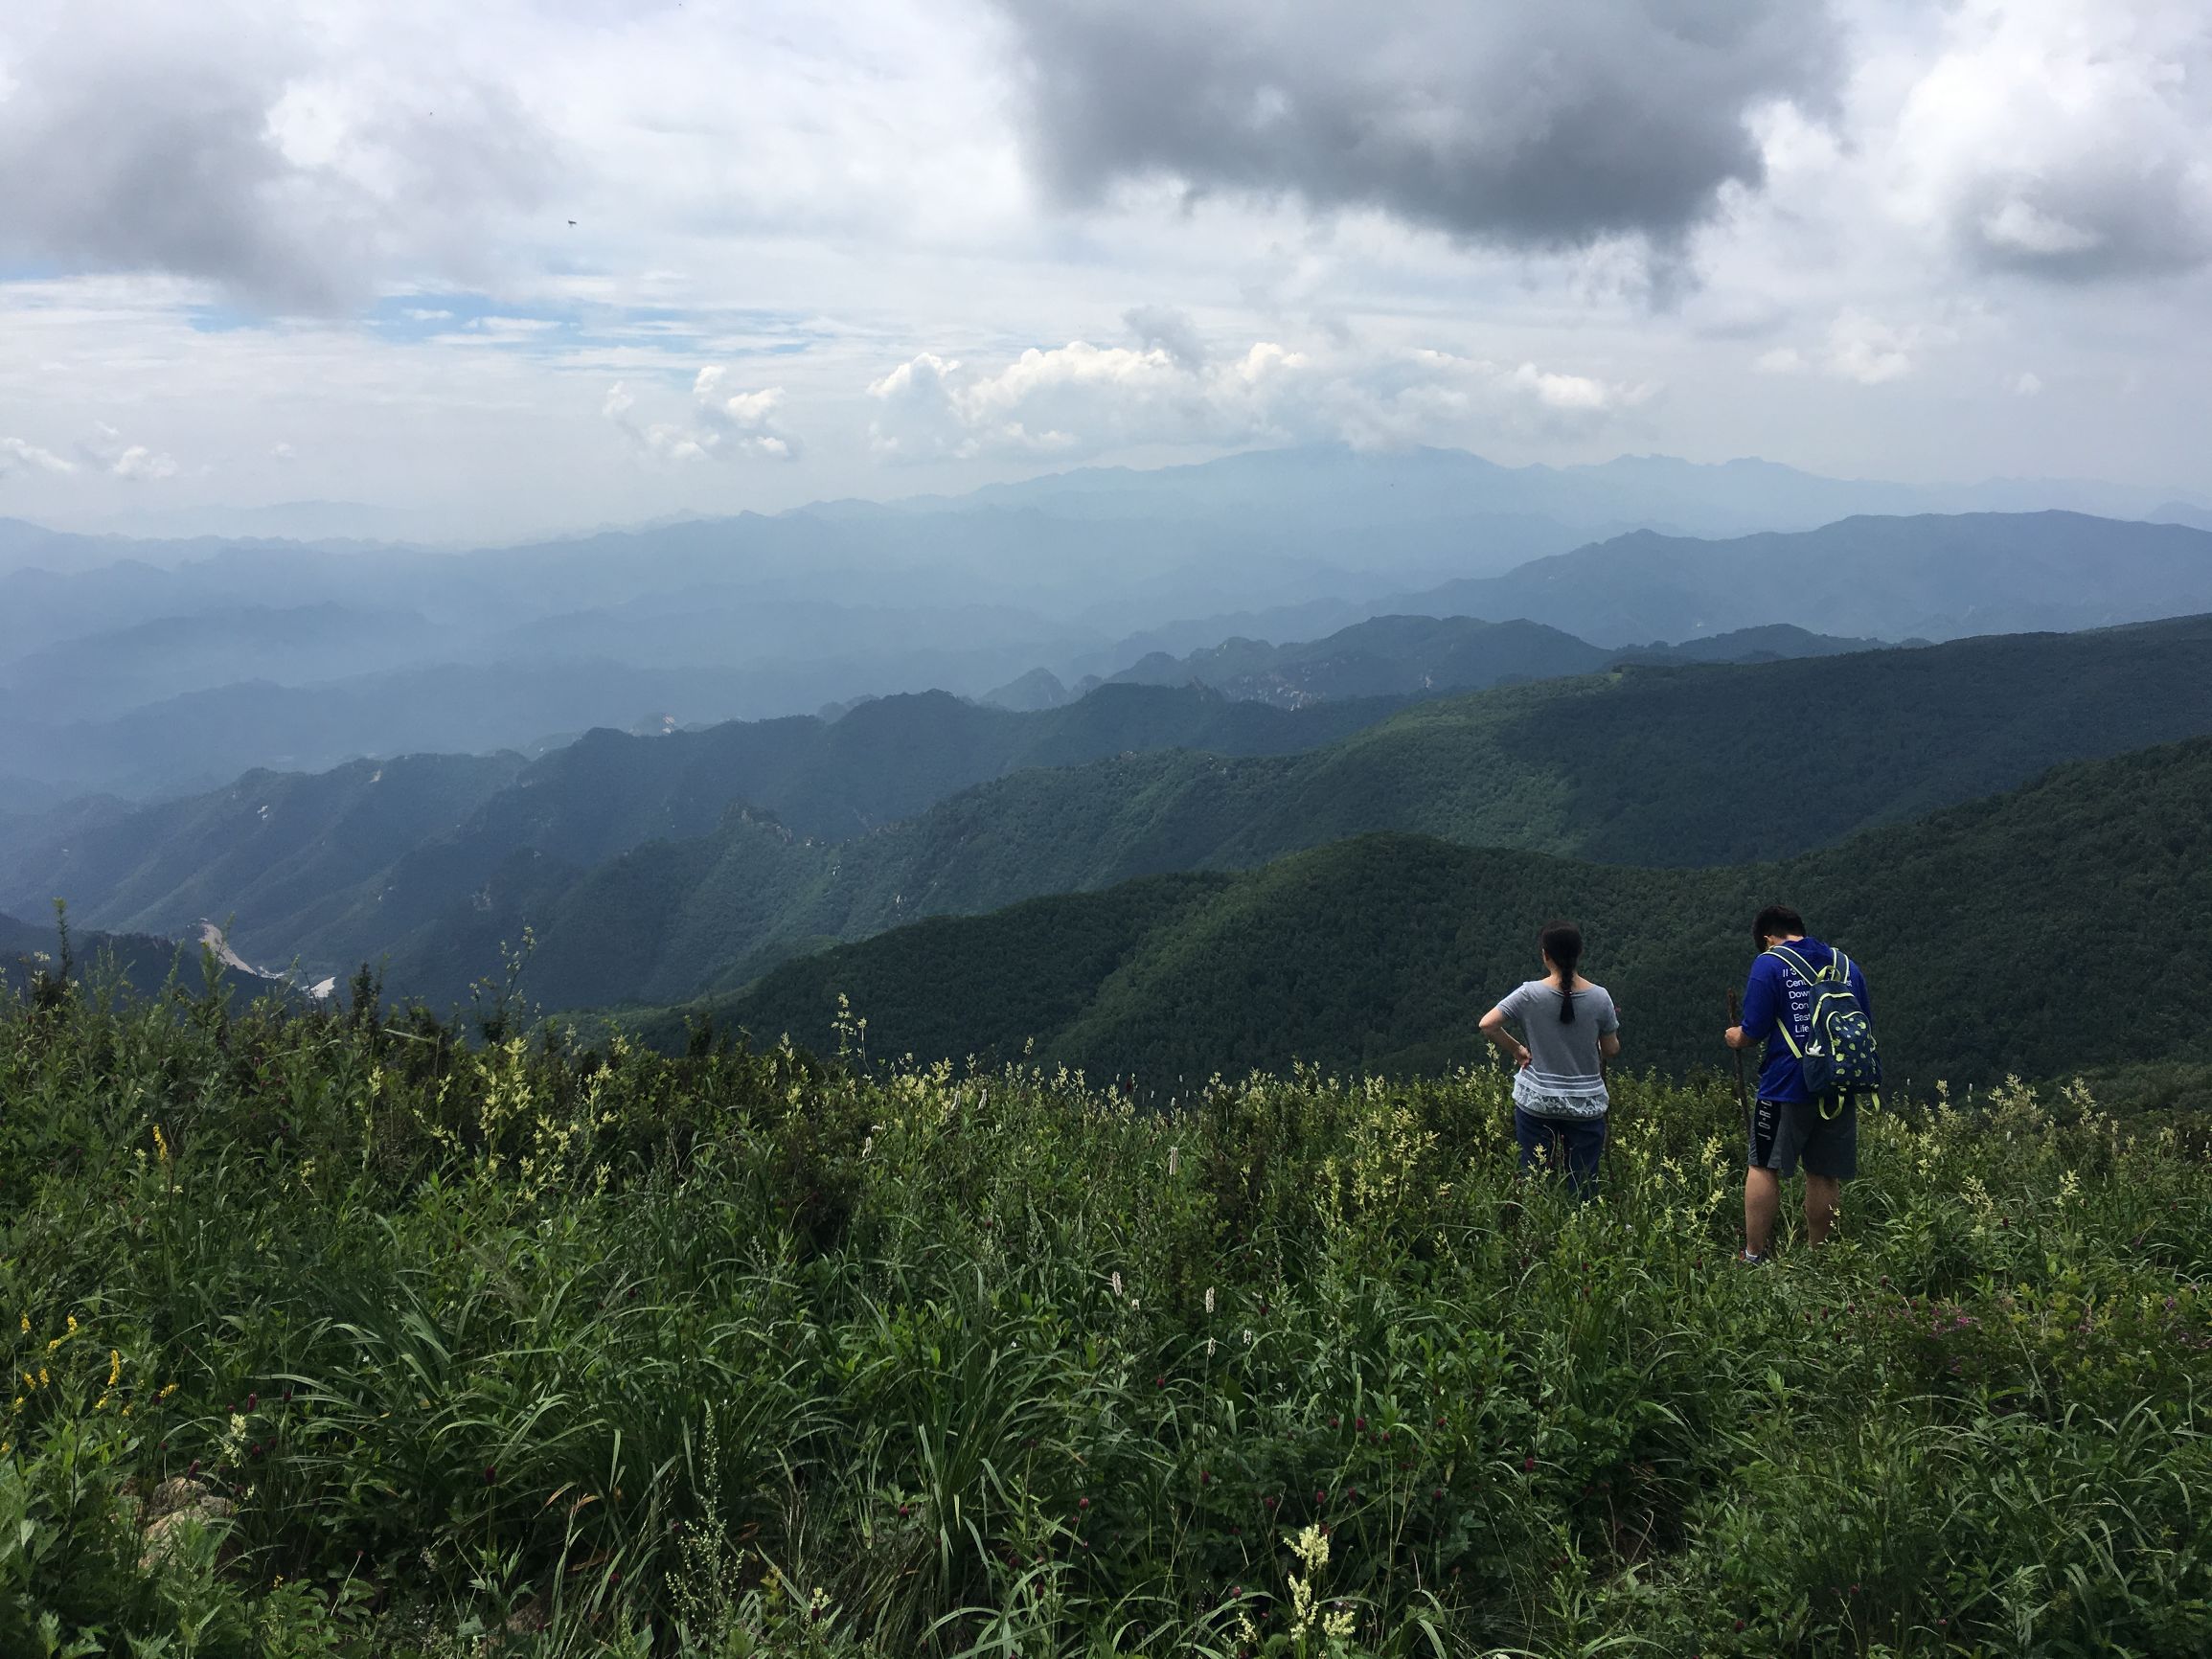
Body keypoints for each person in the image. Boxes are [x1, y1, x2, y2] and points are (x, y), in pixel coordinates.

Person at [1724, 903, 1872, 1262]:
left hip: (1787, 1083)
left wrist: (1734, 1037)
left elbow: (1753, 1031)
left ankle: (1754, 1254)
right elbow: (1863, 1022)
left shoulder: (1770, 963)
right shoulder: (1845, 964)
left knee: (1763, 1165)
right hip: (1839, 1081)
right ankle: (1821, 1257)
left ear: (1767, 938)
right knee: (1824, 1173)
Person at [1480, 920, 1622, 1200]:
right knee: (1583, 1183)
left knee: (1534, 1176)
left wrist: (1517, 1049)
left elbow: (1488, 1025)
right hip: (1585, 1104)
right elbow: (1611, 1050)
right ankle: (1581, 1231)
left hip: (1537, 1100)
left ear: (1545, 955)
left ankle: (1534, 1231)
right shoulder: (1600, 997)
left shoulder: (1528, 993)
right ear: (1580, 953)